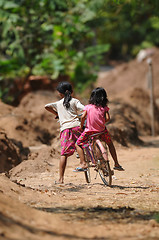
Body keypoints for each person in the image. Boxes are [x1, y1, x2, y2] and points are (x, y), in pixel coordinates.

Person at [45, 81, 87, 184]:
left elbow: (46, 106)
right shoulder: (75, 101)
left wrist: (57, 114)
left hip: (65, 130)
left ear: (60, 93)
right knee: (79, 144)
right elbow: (85, 109)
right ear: (71, 91)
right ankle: (83, 162)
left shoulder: (58, 103)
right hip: (77, 127)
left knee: (64, 154)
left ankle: (61, 179)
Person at [75, 87, 124, 171]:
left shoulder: (88, 107)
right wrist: (100, 122)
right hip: (102, 131)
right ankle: (116, 163)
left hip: (89, 132)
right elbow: (108, 118)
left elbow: (83, 117)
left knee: (78, 144)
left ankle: (83, 163)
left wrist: (81, 126)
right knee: (110, 144)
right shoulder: (104, 107)